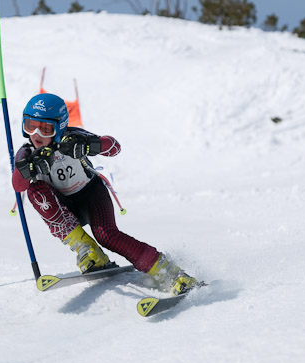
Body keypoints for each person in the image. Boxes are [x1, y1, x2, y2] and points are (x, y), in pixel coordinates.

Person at [12, 93, 198, 295]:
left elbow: (114, 147)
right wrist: (26, 170)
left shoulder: (72, 138)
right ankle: (87, 250)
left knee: (107, 236)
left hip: (91, 194)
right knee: (34, 190)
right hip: (65, 210)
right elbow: (18, 186)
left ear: (60, 126)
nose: (36, 134)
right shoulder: (27, 154)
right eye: (30, 126)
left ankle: (169, 272)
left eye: (46, 128)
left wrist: (89, 145)